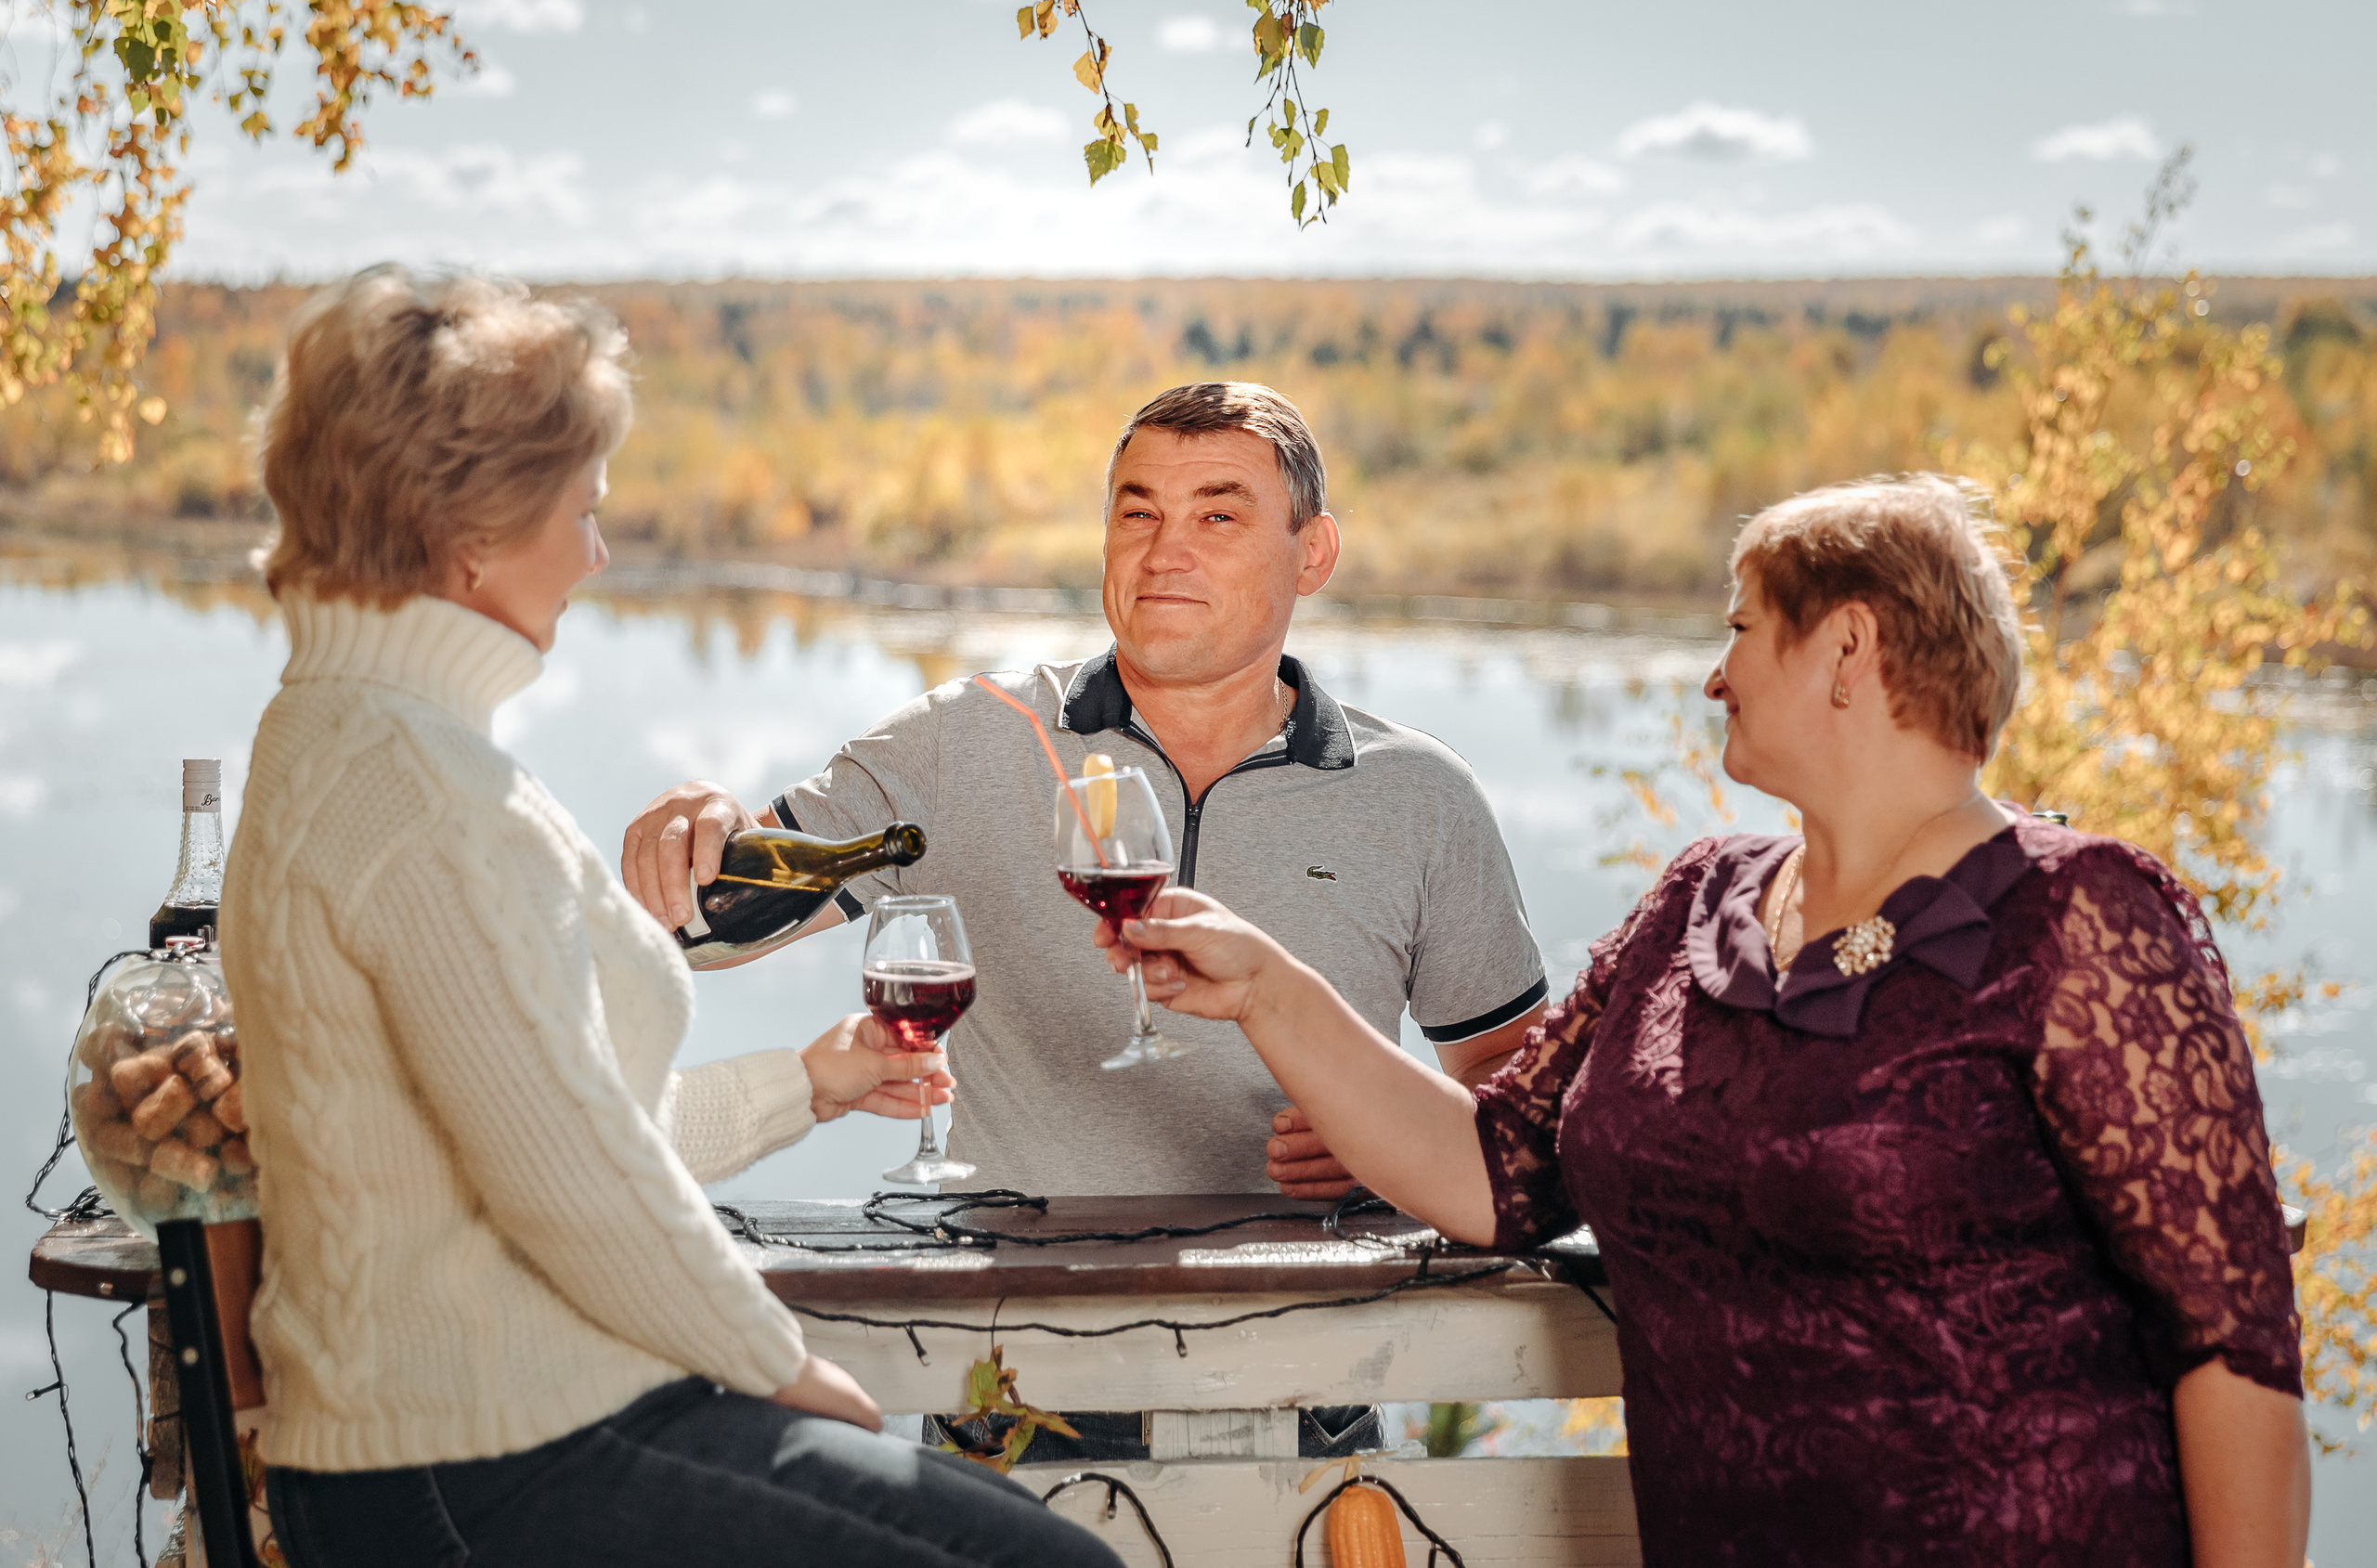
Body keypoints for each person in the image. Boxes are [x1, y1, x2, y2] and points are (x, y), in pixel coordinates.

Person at [1102, 474, 2311, 1567]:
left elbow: (2233, 1342)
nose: (1713, 673)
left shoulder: (2082, 915)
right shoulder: (1697, 899)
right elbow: (1494, 1169)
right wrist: (1267, 984)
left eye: (1739, 629)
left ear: (1848, 645)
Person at [219, 266, 1121, 1568]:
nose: (597, 551)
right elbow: (569, 1176)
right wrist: (782, 1366)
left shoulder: (341, 739)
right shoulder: (421, 788)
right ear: (467, 532)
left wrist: (803, 1086)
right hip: (484, 1465)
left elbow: (542, 1116)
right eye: (580, 510)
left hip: (460, 1447)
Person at [620, 380, 1550, 1464]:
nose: (1164, 551)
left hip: (1308, 1390)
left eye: (1219, 514)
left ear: (1313, 554)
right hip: (1010, 1392)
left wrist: (1392, 1143)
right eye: (1136, 510)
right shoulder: (966, 739)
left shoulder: (1422, 797)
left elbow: (1511, 1084)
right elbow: (716, 923)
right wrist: (698, 831)